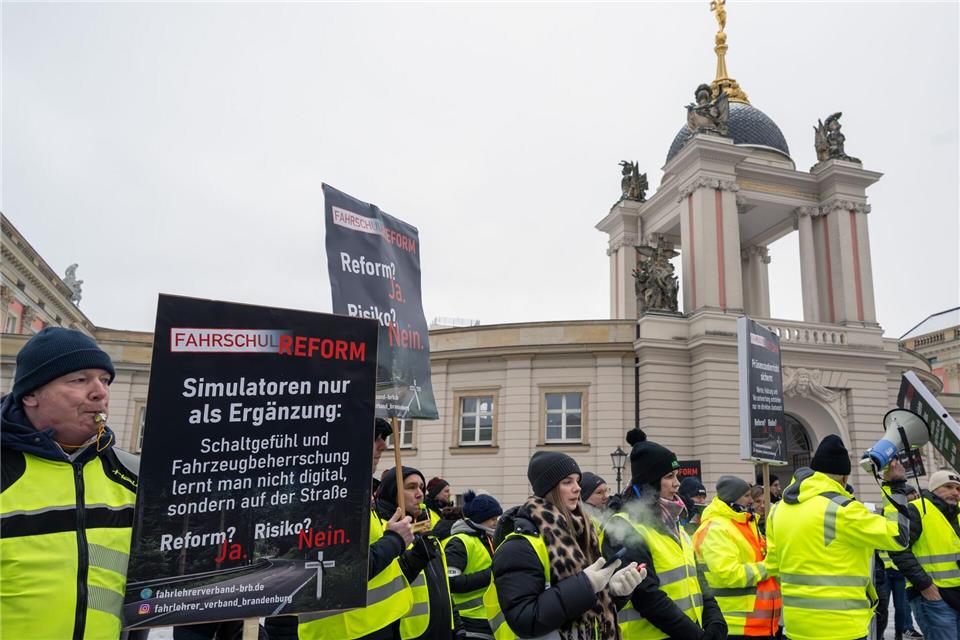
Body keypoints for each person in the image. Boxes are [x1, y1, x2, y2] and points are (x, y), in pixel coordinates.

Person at [0, 327, 140, 639]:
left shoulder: (132, 474)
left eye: (104, 380)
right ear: (31, 394)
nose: (99, 392)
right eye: (79, 379)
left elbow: (142, 592)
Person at [764, 434, 910, 640]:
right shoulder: (842, 509)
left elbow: (772, 565)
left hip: (795, 626)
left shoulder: (778, 510)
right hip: (840, 626)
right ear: (843, 477)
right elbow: (899, 537)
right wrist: (895, 487)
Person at [488, 451, 645, 639]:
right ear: (549, 488)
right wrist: (585, 585)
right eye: (567, 482)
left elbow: (582, 613)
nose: (577, 488)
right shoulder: (518, 547)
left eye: (577, 481)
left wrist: (613, 592)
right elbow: (524, 619)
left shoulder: (581, 536)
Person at [601, 428, 727, 639]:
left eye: (676, 475)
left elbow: (697, 578)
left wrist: (715, 619)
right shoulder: (624, 528)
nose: (677, 483)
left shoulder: (674, 521)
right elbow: (646, 596)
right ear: (650, 482)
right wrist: (696, 636)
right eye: (669, 476)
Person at [299, 420, 415, 640]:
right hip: (347, 630)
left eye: (383, 437)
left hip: (371, 625)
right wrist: (394, 540)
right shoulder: (330, 495)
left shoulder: (351, 489)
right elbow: (344, 570)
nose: (383, 445)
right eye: (374, 436)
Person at [693, 476, 781, 639]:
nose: (750, 501)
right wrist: (768, 568)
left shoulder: (745, 522)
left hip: (761, 625)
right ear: (732, 498)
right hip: (736, 626)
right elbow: (728, 574)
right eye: (747, 496)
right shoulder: (716, 529)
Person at [376, 466, 454, 640]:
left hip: (440, 630)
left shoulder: (425, 531)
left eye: (422, 488)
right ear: (392, 492)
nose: (420, 494)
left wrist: (456, 624)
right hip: (407, 633)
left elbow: (443, 585)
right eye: (411, 487)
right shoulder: (383, 532)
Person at [889, 469, 960, 640]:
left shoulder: (956, 511)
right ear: (935, 489)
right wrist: (924, 585)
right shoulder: (916, 509)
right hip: (933, 597)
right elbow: (898, 548)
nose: (955, 492)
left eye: (958, 488)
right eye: (949, 487)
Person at [443, 490, 502, 640]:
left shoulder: (487, 539)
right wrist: (492, 574)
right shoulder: (460, 542)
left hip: (489, 619)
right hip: (468, 622)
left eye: (497, 518)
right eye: (492, 519)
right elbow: (451, 582)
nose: (496, 522)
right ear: (479, 519)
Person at [876, 459, 924, 640]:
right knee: (883, 607)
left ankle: (900, 633)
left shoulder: (913, 516)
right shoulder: (889, 514)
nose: (913, 498)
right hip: (887, 571)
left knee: (902, 608)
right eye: (911, 495)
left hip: (901, 571)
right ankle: (881, 635)